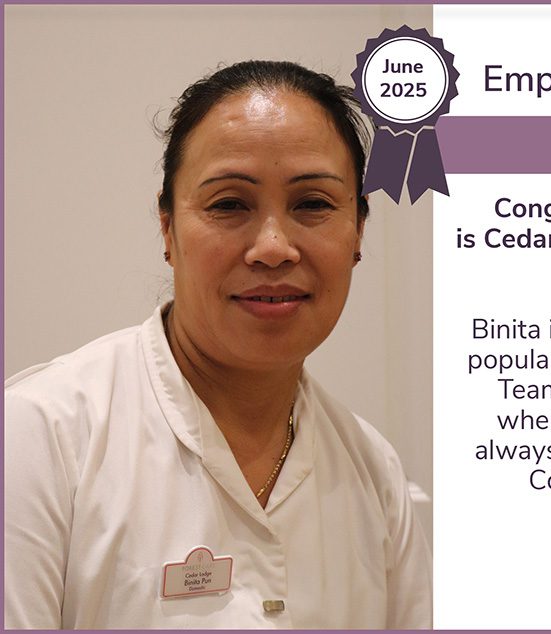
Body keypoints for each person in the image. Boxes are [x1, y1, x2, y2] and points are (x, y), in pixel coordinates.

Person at [4, 60, 432, 629]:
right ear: (167, 228)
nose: (273, 248)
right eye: (229, 204)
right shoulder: (40, 437)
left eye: (313, 204)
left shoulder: (375, 474)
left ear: (358, 232)